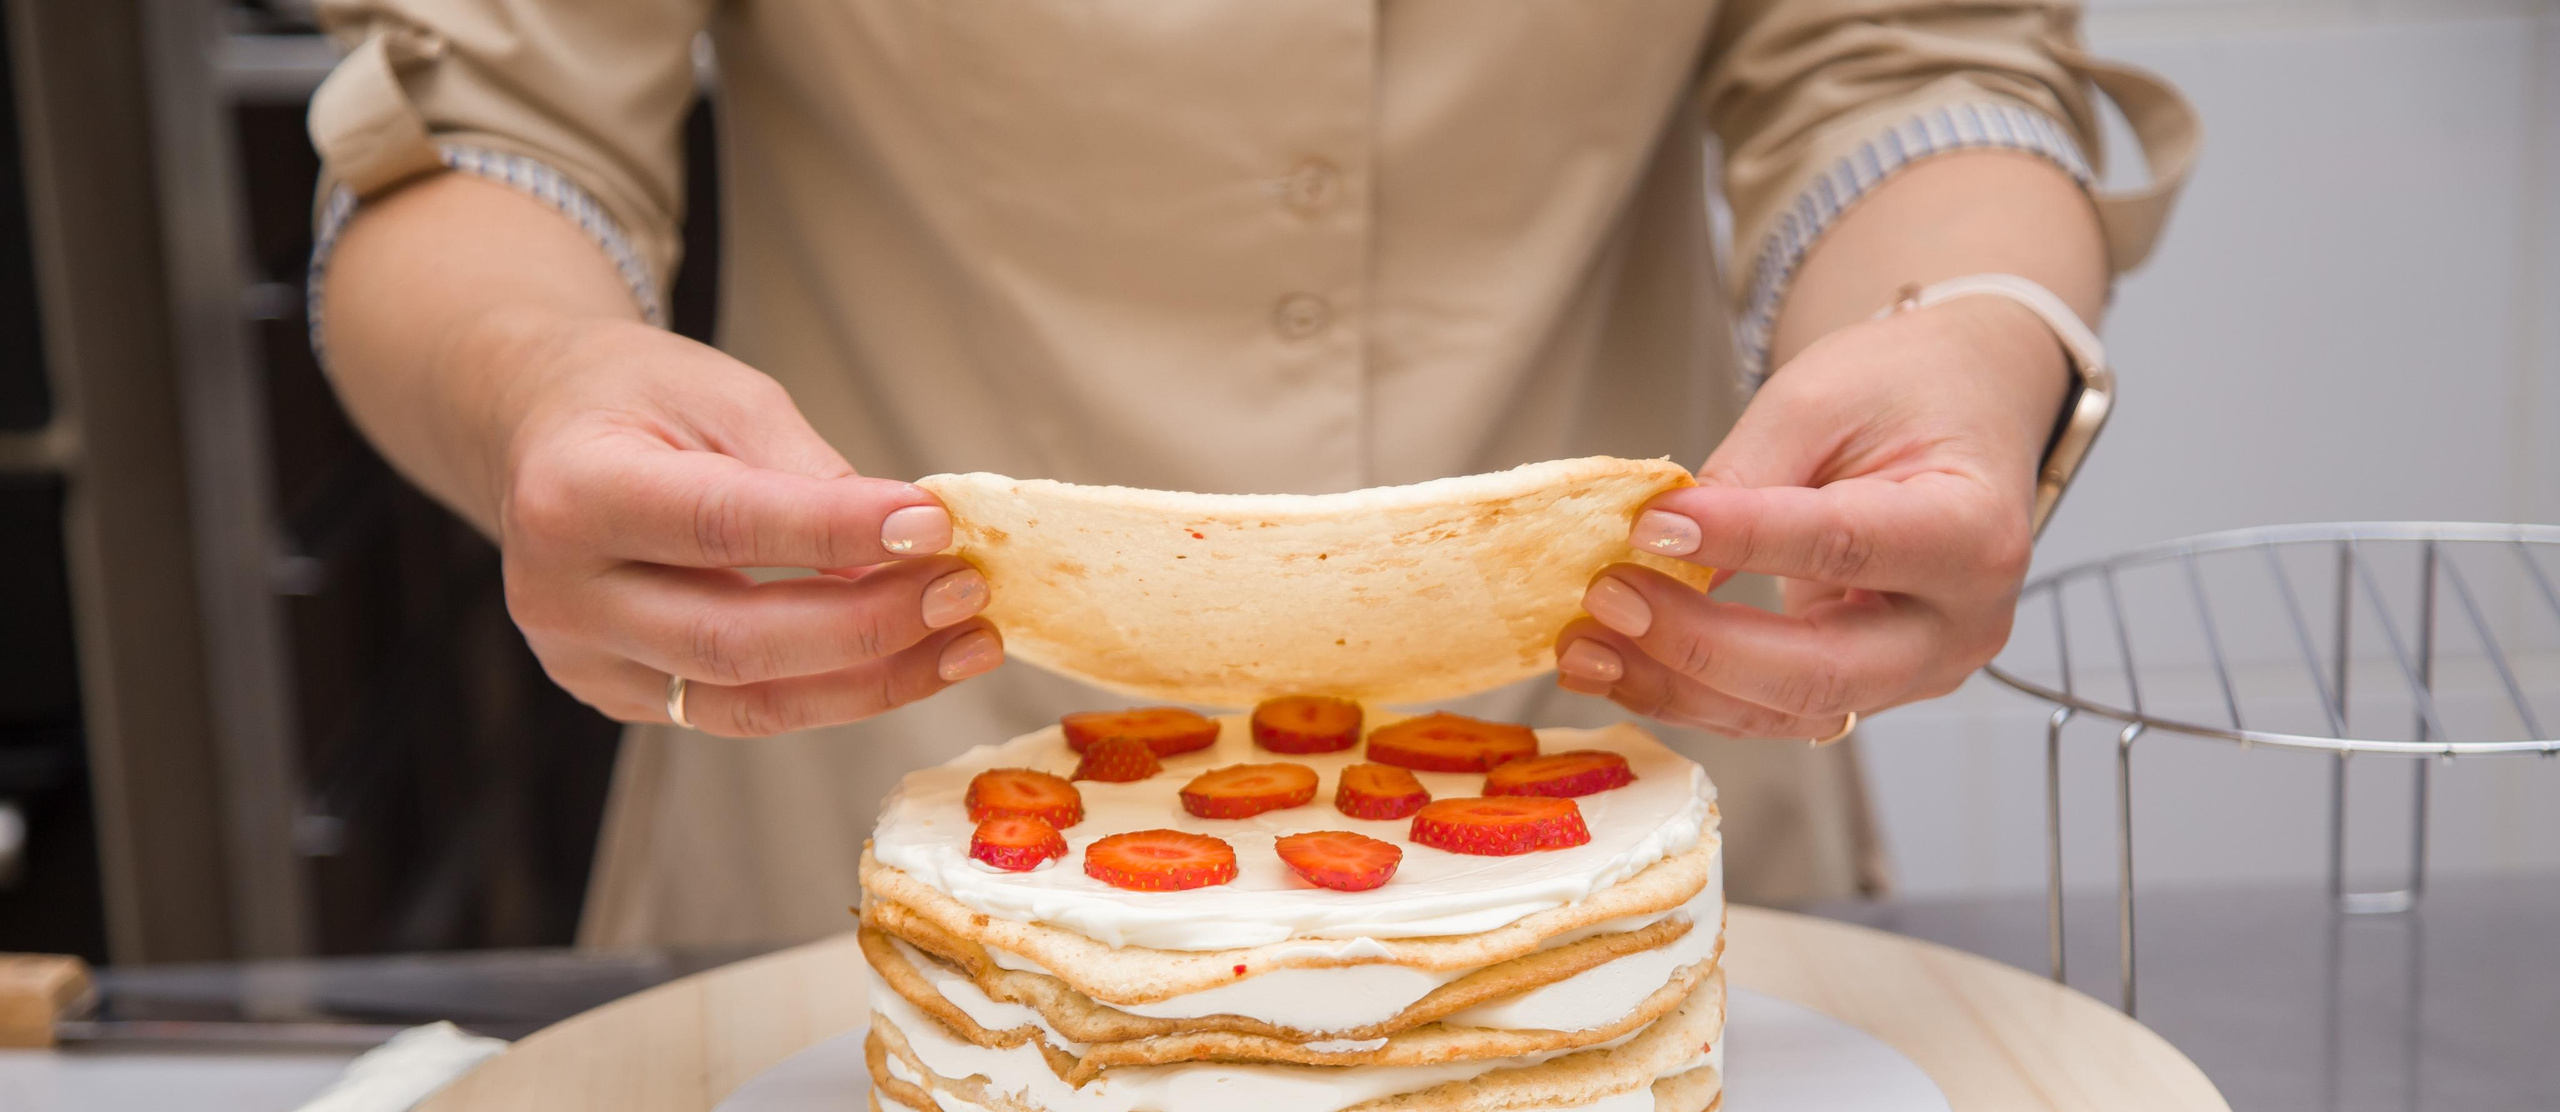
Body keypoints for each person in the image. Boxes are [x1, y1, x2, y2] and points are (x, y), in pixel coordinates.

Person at [306, 1, 2193, 946]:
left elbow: (1904, 60)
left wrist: (1978, 331)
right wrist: (542, 378)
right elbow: (478, 123)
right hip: (864, 845)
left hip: (1622, 819)